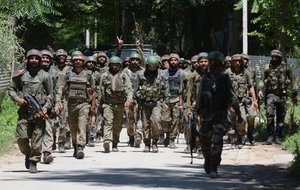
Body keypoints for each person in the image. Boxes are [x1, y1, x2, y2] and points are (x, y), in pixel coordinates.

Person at [196, 51, 242, 178]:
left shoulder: (224, 78)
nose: (211, 64)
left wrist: (238, 113)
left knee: (217, 140)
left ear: (220, 63)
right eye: (210, 61)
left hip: (221, 114)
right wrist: (197, 112)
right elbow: (200, 95)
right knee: (205, 139)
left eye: (213, 61)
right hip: (206, 113)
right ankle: (207, 159)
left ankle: (214, 167)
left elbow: (232, 96)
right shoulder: (206, 77)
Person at [9, 49, 53, 173]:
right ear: (27, 60)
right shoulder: (20, 74)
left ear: (39, 60)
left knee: (37, 139)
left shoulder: (45, 75)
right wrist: (18, 99)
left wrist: (45, 109)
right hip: (24, 112)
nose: (34, 60)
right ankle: (28, 154)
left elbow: (50, 95)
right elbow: (11, 89)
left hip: (39, 113)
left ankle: (34, 161)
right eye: (31, 58)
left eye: (36, 58)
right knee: (21, 137)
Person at [55, 54, 95, 159]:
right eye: (76, 60)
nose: (78, 62)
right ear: (73, 62)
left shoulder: (89, 74)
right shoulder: (68, 74)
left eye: (80, 60)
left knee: (82, 125)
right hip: (70, 104)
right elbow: (62, 88)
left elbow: (93, 91)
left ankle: (81, 146)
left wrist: (93, 107)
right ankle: (75, 146)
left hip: (83, 104)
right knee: (72, 127)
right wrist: (59, 101)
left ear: (83, 62)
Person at [258, 49, 298, 145]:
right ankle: (270, 135)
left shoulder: (286, 67)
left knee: (281, 116)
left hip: (282, 95)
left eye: (276, 57)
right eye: (273, 57)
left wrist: (295, 91)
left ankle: (278, 136)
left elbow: (293, 80)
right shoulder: (267, 67)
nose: (274, 58)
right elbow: (261, 79)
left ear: (280, 58)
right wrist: (260, 89)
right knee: (269, 114)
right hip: (270, 94)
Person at [98, 56, 133, 153]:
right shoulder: (104, 76)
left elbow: (129, 89)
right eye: (112, 65)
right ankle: (107, 141)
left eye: (116, 65)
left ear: (120, 66)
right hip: (108, 104)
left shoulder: (124, 76)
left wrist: (129, 100)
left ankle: (115, 143)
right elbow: (100, 90)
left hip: (120, 104)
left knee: (117, 125)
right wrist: (99, 104)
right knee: (108, 122)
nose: (114, 67)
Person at [135, 55, 169, 152]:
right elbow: (135, 89)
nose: (152, 68)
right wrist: (137, 101)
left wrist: (166, 102)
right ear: (147, 66)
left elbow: (166, 89)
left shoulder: (162, 75)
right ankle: (147, 143)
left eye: (154, 67)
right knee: (145, 124)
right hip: (144, 103)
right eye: (150, 67)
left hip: (157, 103)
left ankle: (154, 142)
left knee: (156, 122)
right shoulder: (141, 75)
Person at [225, 54, 258, 148]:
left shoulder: (246, 72)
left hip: (241, 100)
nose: (237, 63)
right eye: (235, 61)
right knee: (231, 120)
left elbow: (250, 86)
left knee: (243, 119)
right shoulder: (227, 73)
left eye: (239, 61)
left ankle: (241, 135)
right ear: (232, 62)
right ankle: (234, 138)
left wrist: (255, 100)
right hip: (230, 101)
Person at [161, 53, 184, 149]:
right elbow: (160, 89)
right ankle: (166, 134)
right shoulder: (163, 73)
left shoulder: (182, 73)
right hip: (166, 100)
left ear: (178, 62)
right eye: (172, 60)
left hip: (176, 100)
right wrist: (163, 102)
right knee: (165, 120)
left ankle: (172, 139)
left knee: (175, 120)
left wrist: (181, 102)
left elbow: (183, 90)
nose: (173, 62)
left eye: (175, 60)